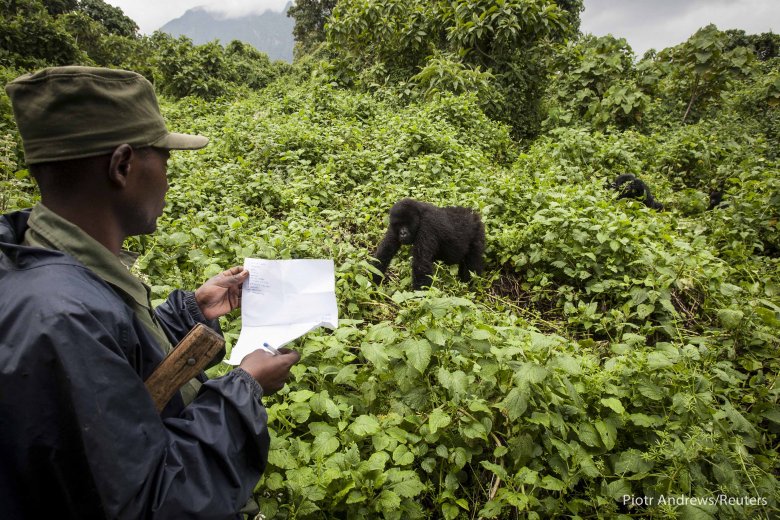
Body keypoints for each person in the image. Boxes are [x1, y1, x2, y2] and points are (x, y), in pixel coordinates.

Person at [0, 66, 300, 519]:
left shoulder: (40, 261)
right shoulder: (59, 320)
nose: (167, 178)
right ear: (123, 166)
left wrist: (189, 314)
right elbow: (151, 503)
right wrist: (246, 387)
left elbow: (116, 368)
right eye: (164, 160)